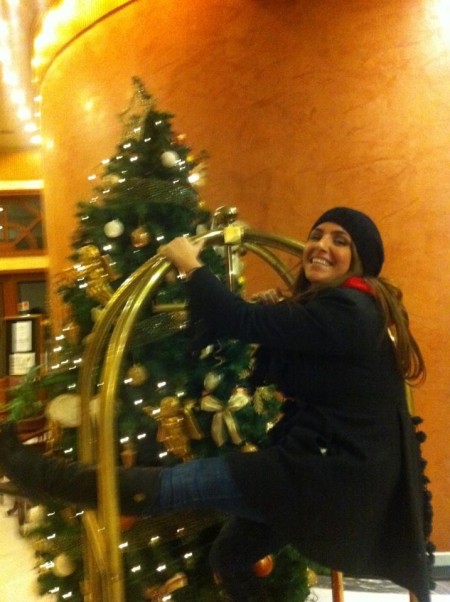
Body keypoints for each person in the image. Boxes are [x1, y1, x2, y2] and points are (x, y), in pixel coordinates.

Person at [0, 207, 433, 602]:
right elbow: (285, 356)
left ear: (360, 260)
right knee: (230, 555)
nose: (321, 245)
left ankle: (29, 469)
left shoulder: (349, 308)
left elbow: (237, 320)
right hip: (329, 469)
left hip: (323, 475)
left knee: (175, 486)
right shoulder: (349, 307)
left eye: (341, 241)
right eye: (317, 235)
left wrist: (191, 265)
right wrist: (273, 317)